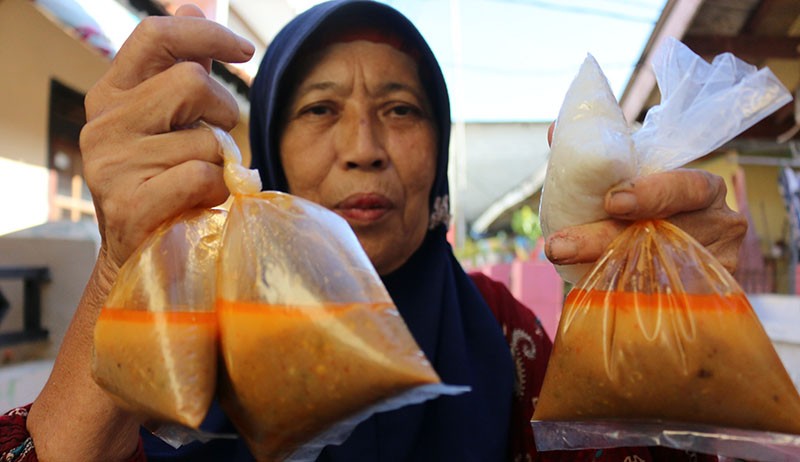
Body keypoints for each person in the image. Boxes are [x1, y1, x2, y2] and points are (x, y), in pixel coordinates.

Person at [1, 1, 747, 461]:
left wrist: (665, 344)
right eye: (320, 109)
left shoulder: (507, 335)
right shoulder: (180, 327)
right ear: (269, 152)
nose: (365, 145)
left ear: (439, 159)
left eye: (401, 108)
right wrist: (121, 278)